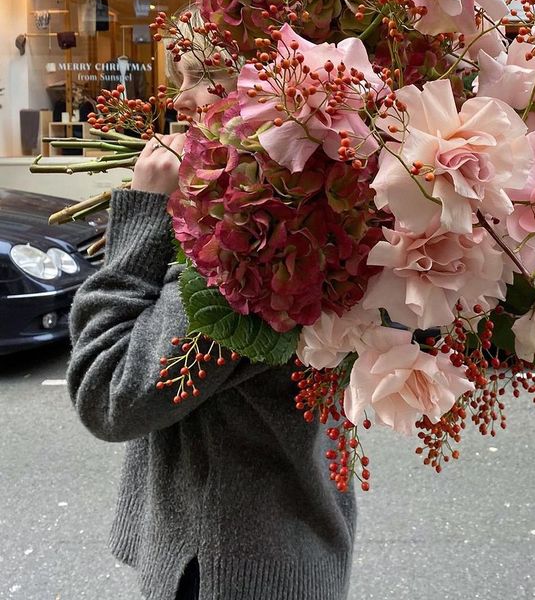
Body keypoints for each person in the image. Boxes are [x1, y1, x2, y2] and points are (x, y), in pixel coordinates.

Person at [66, 46, 357, 600]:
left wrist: (146, 213)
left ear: (275, 99)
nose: (178, 100)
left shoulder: (253, 249)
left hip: (224, 569)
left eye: (202, 76)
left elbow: (108, 396)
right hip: (274, 544)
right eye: (181, 76)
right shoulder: (313, 208)